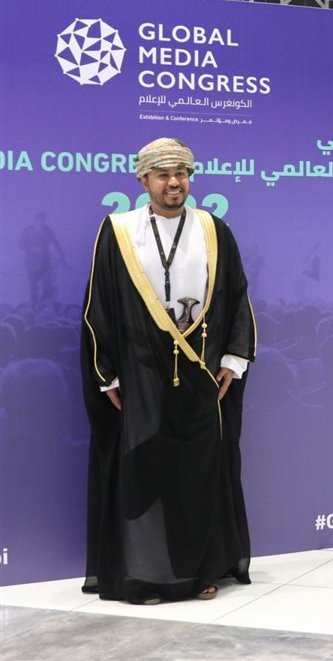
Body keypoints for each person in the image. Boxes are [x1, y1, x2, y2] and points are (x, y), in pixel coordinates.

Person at [80, 137, 257, 604]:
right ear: (144, 180)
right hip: (140, 375)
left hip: (201, 373)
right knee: (144, 472)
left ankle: (203, 572)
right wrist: (106, 374)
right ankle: (147, 578)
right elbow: (98, 306)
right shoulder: (119, 230)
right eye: (163, 174)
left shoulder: (214, 229)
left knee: (199, 473)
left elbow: (237, 297)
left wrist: (232, 359)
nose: (174, 182)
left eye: (181, 173)